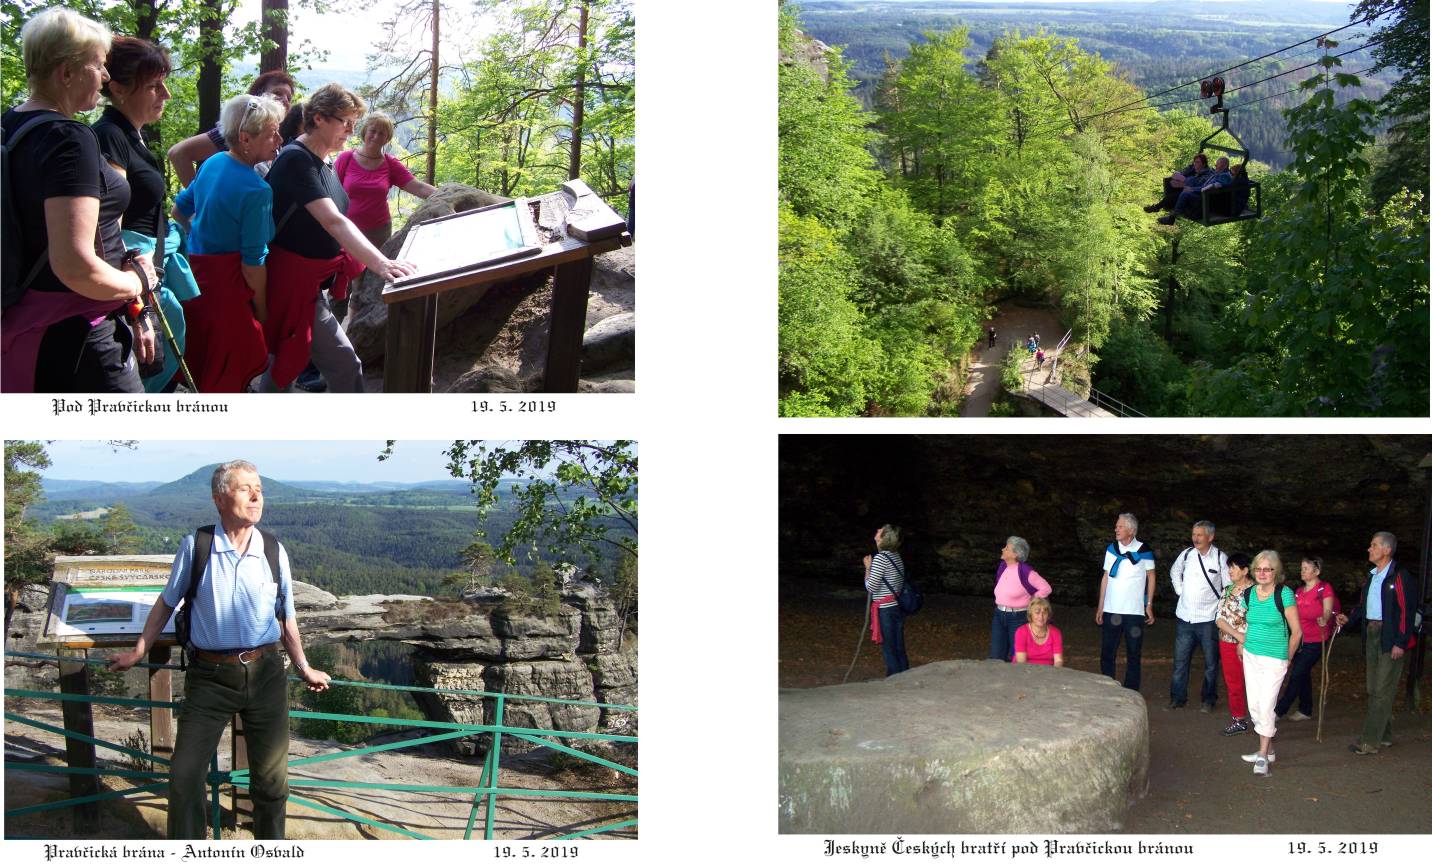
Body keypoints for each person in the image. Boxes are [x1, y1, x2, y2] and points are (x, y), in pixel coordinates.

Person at [108, 460, 331, 839]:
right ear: (219, 498)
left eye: (259, 487)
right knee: (184, 776)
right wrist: (138, 651)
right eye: (245, 488)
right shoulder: (198, 546)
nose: (257, 495)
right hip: (209, 678)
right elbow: (166, 603)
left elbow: (285, 616)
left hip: (266, 675)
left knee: (272, 782)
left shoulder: (274, 550)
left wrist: (304, 666)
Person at [2, 7, 157, 392]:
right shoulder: (69, 139)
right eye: (98, 65)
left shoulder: (10, 124)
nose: (105, 76)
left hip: (26, 323)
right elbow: (75, 266)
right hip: (78, 336)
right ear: (66, 72)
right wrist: (136, 283)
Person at [260, 83, 417, 392]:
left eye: (353, 123)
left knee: (289, 364)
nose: (351, 129)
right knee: (330, 365)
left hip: (308, 287)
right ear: (319, 119)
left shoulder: (324, 161)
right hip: (290, 286)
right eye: (345, 122)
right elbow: (334, 220)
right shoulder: (297, 160)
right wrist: (382, 263)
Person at [92, 35, 200, 393]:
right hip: (132, 281)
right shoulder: (110, 138)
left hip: (145, 276)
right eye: (154, 86)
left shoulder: (129, 135)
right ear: (119, 89)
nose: (166, 94)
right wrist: (137, 310)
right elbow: (106, 230)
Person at [172, 93, 284, 392]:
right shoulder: (256, 189)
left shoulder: (212, 163)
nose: (279, 139)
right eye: (272, 133)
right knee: (227, 371)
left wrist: (193, 245)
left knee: (201, 361)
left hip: (194, 283)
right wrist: (261, 309)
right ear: (245, 139)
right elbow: (252, 265)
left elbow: (179, 210)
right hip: (227, 293)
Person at [332, 111, 435, 321]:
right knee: (341, 280)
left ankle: (354, 331)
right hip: (345, 231)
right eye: (373, 131)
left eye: (382, 133)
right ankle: (331, 327)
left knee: (366, 283)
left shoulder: (390, 164)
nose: (376, 136)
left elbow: (418, 187)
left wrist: (450, 193)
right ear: (364, 132)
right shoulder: (346, 159)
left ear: (387, 138)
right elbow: (329, 191)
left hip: (377, 232)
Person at [1335, 531, 1422, 755]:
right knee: (1374, 687)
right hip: (1372, 634)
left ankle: (1369, 740)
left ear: (1386, 550)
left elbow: (1406, 612)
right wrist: (1349, 619)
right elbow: (1364, 606)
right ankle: (1384, 735)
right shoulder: (1372, 576)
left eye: (1373, 545)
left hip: (1391, 637)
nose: (1369, 549)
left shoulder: (1400, 576)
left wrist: (1401, 642)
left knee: (1382, 689)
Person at [167, 70, 295, 187]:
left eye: (289, 97)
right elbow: (178, 153)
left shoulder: (279, 136)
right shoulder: (239, 129)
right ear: (258, 96)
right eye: (277, 93)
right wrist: (199, 201)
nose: (285, 100)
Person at [1236, 550, 1300, 777]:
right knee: (1254, 705)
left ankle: (1262, 755)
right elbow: (1249, 623)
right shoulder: (1249, 594)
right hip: (1251, 655)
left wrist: (1287, 658)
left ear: (1276, 572)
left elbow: (1297, 632)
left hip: (1275, 658)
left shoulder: (1284, 594)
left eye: (1268, 569)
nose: (1262, 573)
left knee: (1266, 704)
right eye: (1258, 569)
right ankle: (1268, 748)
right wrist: (1242, 643)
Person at [1168, 520, 1230, 712]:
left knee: (1211, 663)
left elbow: (1228, 587)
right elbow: (1175, 571)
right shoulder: (1187, 555)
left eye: (1200, 535)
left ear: (1210, 537)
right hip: (1185, 617)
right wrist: (1180, 590)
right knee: (1180, 661)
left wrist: (1220, 611)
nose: (1195, 538)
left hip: (1208, 620)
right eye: (1194, 534)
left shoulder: (1220, 558)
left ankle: (1208, 700)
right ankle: (1177, 698)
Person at [1272, 555, 1337, 722]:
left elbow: (1328, 610)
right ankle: (1306, 709)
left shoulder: (1324, 589)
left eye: (1306, 569)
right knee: (1303, 674)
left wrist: (1324, 617)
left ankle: (1278, 711)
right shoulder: (1299, 592)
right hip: (1299, 639)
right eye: (1302, 568)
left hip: (1316, 641)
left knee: (1296, 674)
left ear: (1317, 571)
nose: (1302, 572)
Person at [1096, 513, 1156, 691]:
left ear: (1131, 530)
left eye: (1120, 526)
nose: (1116, 529)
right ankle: (1108, 686)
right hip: (1111, 609)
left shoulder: (1144, 551)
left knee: (1133, 653)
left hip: (1134, 612)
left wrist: (1149, 605)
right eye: (1116, 526)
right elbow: (1106, 577)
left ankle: (1131, 690)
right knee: (1107, 651)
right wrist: (1100, 606)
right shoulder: (1111, 549)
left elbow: (1151, 577)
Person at [989, 535, 1052, 662]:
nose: (1003, 549)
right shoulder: (1003, 567)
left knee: (1017, 656)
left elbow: (1046, 588)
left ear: (1015, 554)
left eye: (1007, 548)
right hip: (999, 615)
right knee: (996, 655)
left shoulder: (1025, 571)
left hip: (1017, 618)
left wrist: (1032, 601)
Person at [1215, 552, 1255, 735]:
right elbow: (1219, 619)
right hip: (1228, 643)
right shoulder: (1227, 590)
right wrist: (1239, 637)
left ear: (1245, 570)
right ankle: (1238, 719)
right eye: (1228, 567)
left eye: (1233, 567)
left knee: (1256, 682)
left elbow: (1257, 619)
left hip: (1253, 644)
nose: (1229, 570)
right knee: (1233, 683)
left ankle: (1262, 719)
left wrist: (1244, 640)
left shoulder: (1256, 592)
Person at [864, 524, 909, 677]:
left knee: (889, 646)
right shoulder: (895, 555)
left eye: (880, 531)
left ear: (884, 538)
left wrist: (868, 568)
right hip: (896, 605)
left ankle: (894, 678)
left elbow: (871, 587)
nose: (876, 530)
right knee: (897, 643)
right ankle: (904, 675)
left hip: (885, 608)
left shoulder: (881, 559)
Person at [1159, 156, 1234, 225]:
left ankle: (1172, 218)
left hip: (1207, 198)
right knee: (1184, 190)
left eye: (1218, 164)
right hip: (1204, 194)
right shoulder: (1218, 173)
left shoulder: (1224, 176)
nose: (1215, 166)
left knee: (1185, 194)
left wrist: (1192, 189)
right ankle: (1173, 211)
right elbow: (1205, 186)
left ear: (1224, 165)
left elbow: (1209, 188)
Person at [1144, 153, 1210, 213]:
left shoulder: (1206, 174)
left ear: (1203, 164)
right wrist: (1182, 180)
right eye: (1194, 162)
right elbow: (1179, 174)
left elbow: (1199, 186)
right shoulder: (1193, 169)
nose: (1195, 164)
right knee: (1171, 181)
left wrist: (1184, 183)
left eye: (1197, 162)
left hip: (1194, 194)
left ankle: (1157, 207)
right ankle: (1163, 206)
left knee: (1172, 195)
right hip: (1186, 189)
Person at [1013, 596, 1064, 666]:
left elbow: (1058, 660)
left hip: (1049, 672)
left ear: (1048, 615)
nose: (1041, 616)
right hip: (1025, 671)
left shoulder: (1055, 633)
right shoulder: (1021, 632)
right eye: (1037, 613)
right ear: (1031, 615)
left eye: (1044, 613)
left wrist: (1054, 673)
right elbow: (1021, 662)